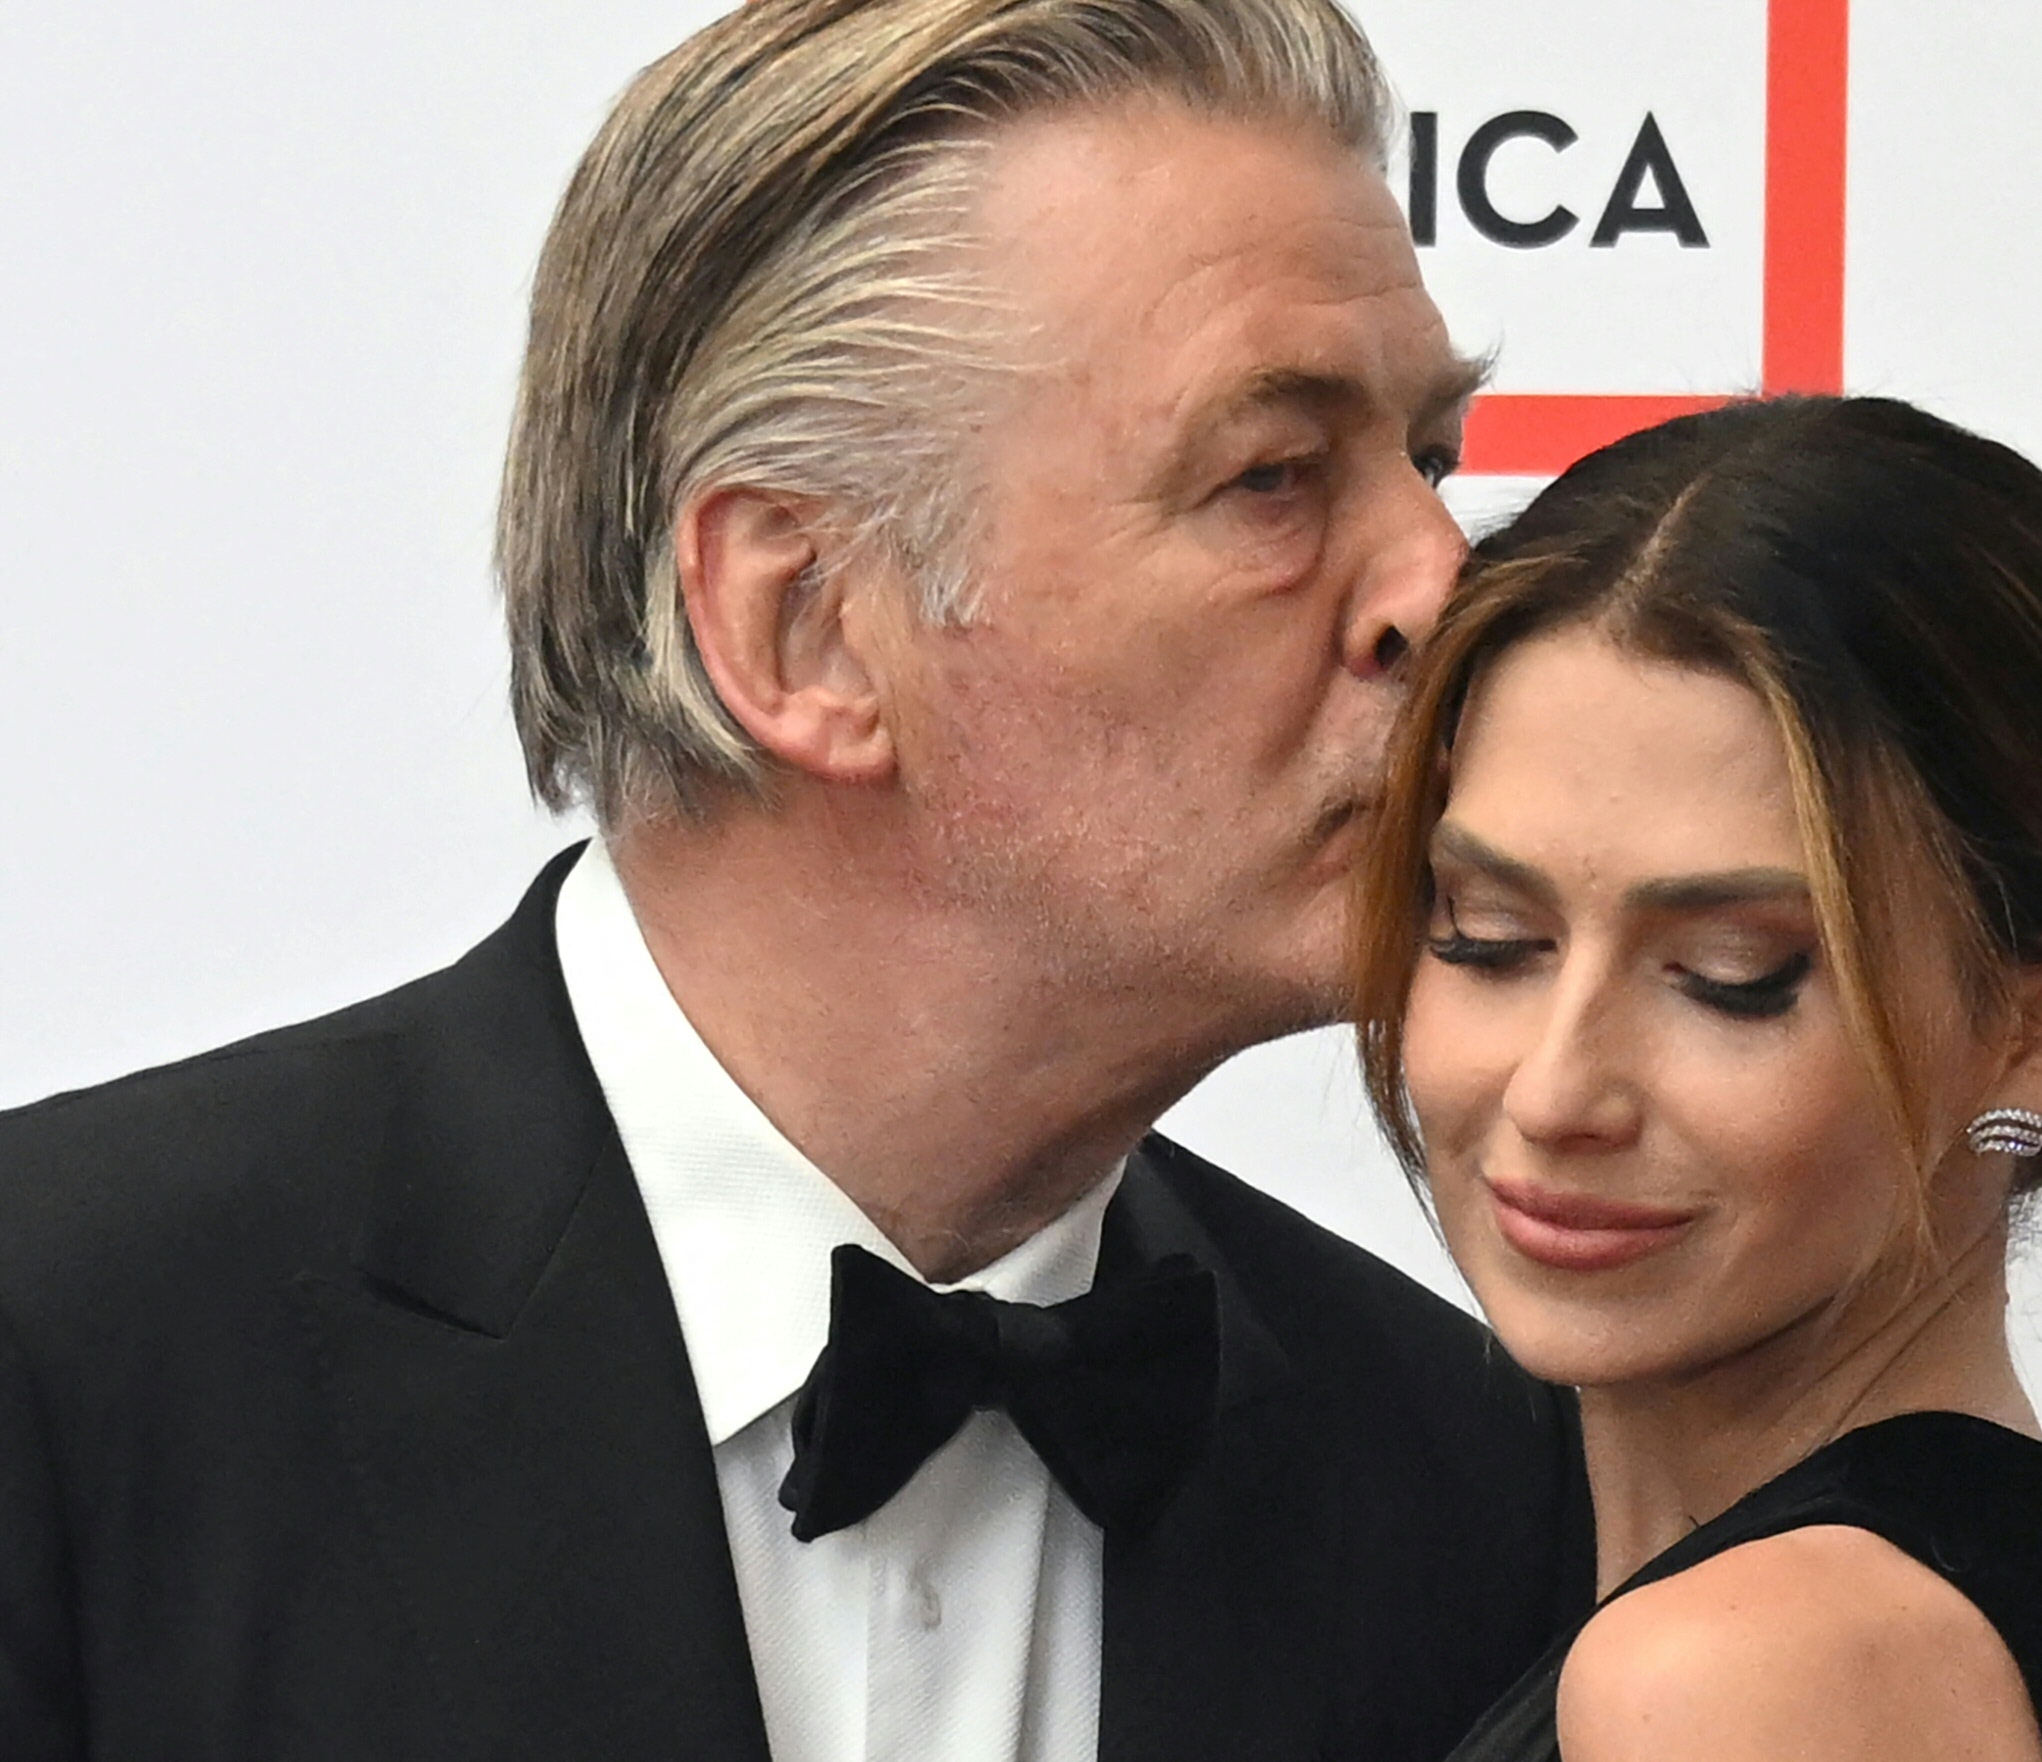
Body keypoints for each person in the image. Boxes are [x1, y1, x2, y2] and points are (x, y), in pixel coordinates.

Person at [0, 4, 1591, 1759]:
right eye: (1273, 478)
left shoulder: (1470, 1477)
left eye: (1429, 463)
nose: (1445, 593)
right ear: (803, 623)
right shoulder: (66, 1351)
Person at [1353, 395, 2042, 1761]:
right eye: (1487, 938)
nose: (1559, 1090)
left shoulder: (1741, 1675)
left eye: (1733, 973)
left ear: (2039, 1021)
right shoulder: (1938, 1592)